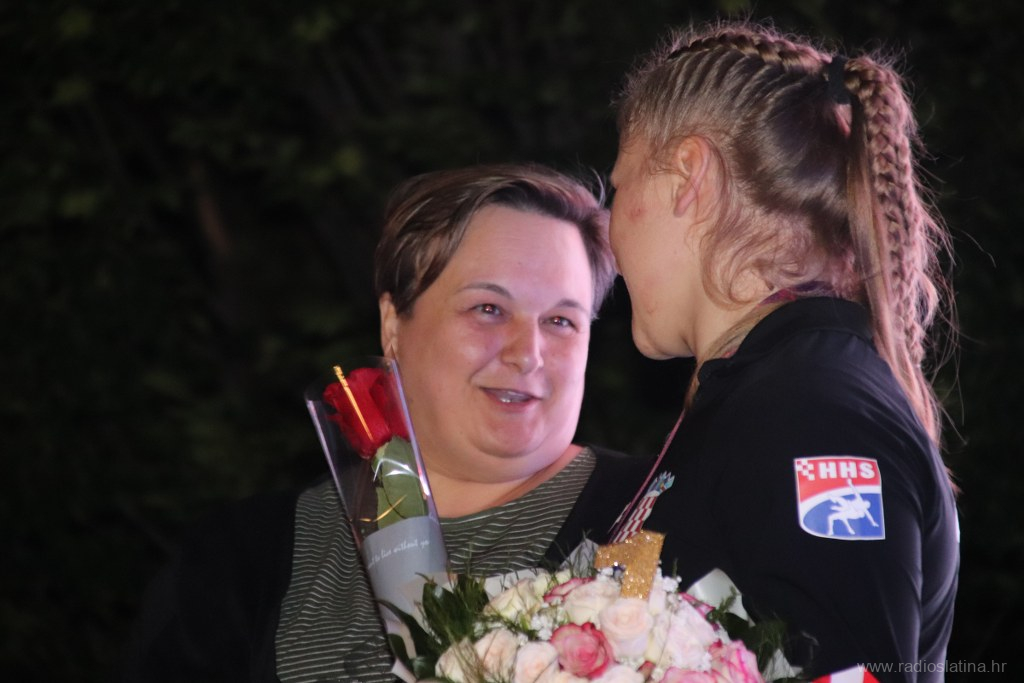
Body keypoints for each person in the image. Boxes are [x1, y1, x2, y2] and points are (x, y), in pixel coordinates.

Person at [121, 163, 652, 682]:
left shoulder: (649, 514)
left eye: (560, 321)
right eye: (488, 309)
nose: (527, 353)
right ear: (393, 325)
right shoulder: (243, 557)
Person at [605, 20, 959, 682]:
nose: (609, 231)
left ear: (688, 175)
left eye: (620, 188)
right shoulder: (770, 388)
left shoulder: (812, 409)